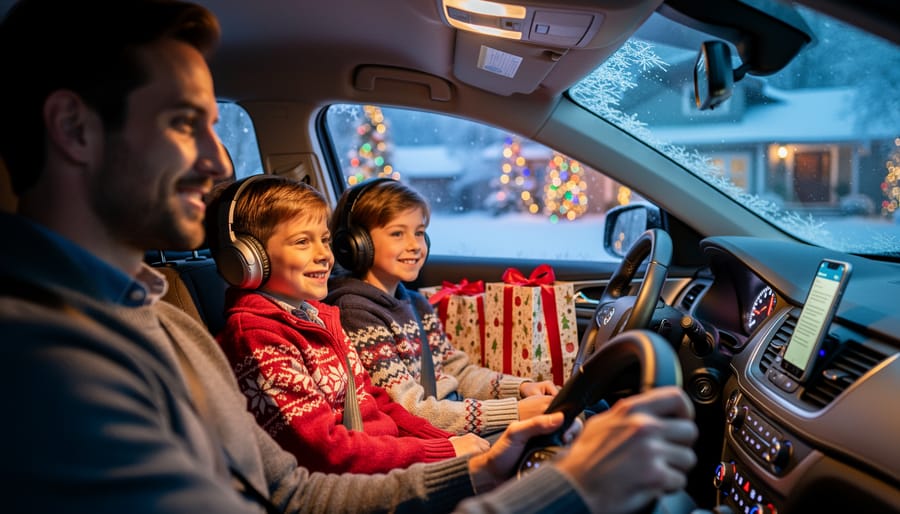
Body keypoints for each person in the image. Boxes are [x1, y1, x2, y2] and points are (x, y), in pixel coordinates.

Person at [0, 0, 698, 512]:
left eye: (216, 128)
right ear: (73, 129)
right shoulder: (40, 363)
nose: (217, 162)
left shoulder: (164, 319)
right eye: (186, 125)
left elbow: (293, 492)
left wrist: (479, 472)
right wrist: (568, 489)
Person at [206, 175, 490, 474]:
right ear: (249, 258)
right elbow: (327, 452)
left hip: (386, 458)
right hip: (353, 476)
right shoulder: (257, 338)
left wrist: (450, 441)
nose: (323, 255)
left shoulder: (319, 317)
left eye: (325, 240)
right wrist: (440, 451)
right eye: (303, 242)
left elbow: (377, 403)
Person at [325, 178, 558, 436]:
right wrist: (514, 412)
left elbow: (457, 370)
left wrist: (521, 388)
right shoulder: (355, 313)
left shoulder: (415, 303)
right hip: (424, 437)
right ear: (355, 244)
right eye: (397, 233)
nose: (414, 245)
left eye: (419, 232)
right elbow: (408, 410)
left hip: (452, 419)